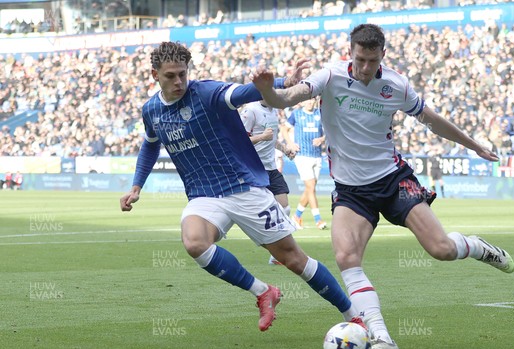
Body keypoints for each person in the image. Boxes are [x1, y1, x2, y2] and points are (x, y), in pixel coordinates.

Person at [252, 23, 514, 349]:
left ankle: (477, 247)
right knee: (347, 257)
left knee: (442, 249)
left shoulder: (395, 84)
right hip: (351, 190)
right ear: (350, 53)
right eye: (360, 59)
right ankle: (381, 338)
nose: (365, 68)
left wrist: (474, 145)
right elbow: (288, 97)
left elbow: (431, 120)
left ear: (382, 57)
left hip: (393, 180)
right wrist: (268, 91)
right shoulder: (329, 76)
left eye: (372, 61)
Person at [120, 42, 363, 333]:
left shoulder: (207, 93)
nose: (179, 81)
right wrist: (136, 187)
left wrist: (284, 82)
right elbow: (150, 146)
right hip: (205, 195)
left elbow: (243, 92)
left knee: (293, 259)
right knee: (195, 243)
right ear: (154, 75)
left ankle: (353, 314)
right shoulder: (152, 110)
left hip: (244, 187)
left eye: (183, 74)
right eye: (170, 76)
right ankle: (263, 292)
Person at [241, 99, 297, 265]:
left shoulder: (274, 110)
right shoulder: (250, 110)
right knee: (256, 209)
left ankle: (275, 253)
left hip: (271, 167)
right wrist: (261, 137)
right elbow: (239, 140)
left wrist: (284, 149)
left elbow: (271, 139)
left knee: (284, 207)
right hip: (255, 168)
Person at [282, 98, 327, 230]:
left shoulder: (320, 113)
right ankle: (318, 220)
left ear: (315, 101)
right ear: (302, 102)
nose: (309, 102)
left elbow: (330, 130)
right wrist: (290, 144)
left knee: (310, 189)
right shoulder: (296, 114)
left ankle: (296, 216)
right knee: (311, 186)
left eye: (312, 100)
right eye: (307, 100)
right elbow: (284, 129)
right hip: (302, 155)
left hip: (317, 156)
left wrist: (322, 139)